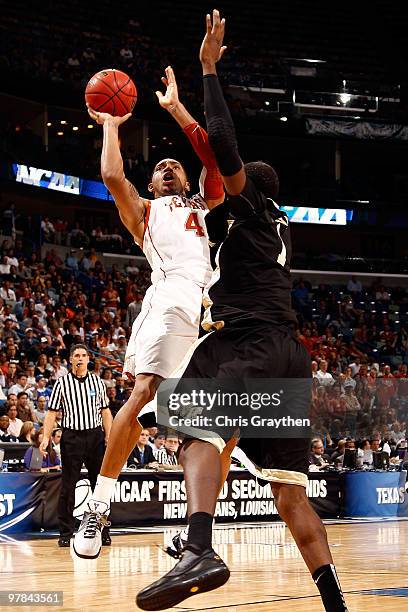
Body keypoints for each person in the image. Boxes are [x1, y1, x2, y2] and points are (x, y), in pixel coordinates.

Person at [136, 11, 348, 612]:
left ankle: (198, 545)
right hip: (290, 356)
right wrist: (179, 115)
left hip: (248, 340)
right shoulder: (277, 226)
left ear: (242, 187)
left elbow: (221, 147)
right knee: (290, 497)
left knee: (186, 414)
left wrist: (207, 70)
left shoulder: (247, 202)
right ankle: (335, 604)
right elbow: (210, 152)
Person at [73, 66, 224, 558]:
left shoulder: (202, 204)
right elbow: (113, 175)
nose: (167, 167)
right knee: (143, 397)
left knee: (196, 421)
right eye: (159, 167)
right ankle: (97, 508)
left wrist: (177, 109)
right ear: (153, 185)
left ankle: (192, 529)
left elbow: (215, 165)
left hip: (205, 309)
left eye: (173, 165)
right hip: (173, 297)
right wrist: (112, 125)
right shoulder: (144, 211)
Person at [40, 344, 113, 548]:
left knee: (100, 485)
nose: (80, 358)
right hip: (72, 437)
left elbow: (105, 412)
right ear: (71, 360)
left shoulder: (97, 382)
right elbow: (52, 413)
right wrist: (46, 437)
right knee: (68, 486)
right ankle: (65, 531)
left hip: (95, 436)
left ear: (89, 359)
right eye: (76, 355)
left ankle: (103, 529)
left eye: (83, 355)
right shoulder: (62, 383)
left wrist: (110, 435)